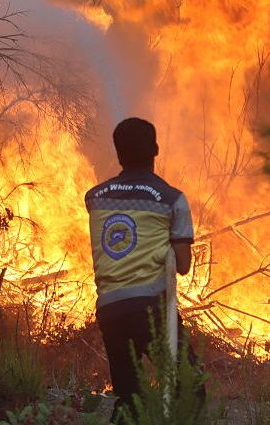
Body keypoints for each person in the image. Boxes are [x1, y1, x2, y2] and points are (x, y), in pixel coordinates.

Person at [85, 117, 202, 423]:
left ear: (118, 153)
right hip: (152, 308)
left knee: (128, 399)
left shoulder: (95, 198)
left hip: (110, 309)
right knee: (190, 385)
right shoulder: (172, 199)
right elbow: (184, 266)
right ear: (155, 149)